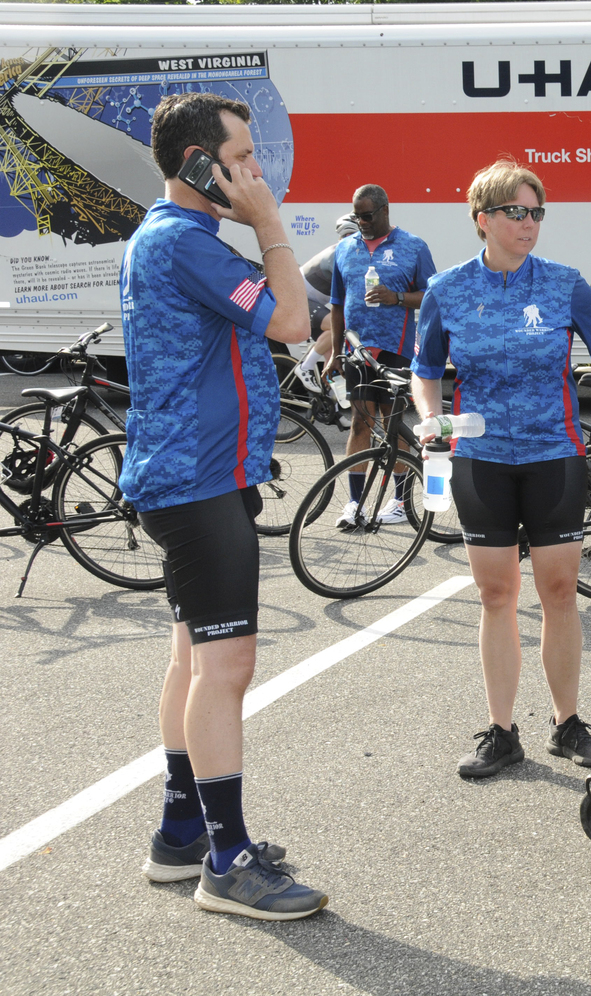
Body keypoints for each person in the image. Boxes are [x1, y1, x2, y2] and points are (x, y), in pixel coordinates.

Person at [121, 92, 326, 918]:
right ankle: (227, 860)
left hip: (195, 477)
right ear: (199, 164)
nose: (255, 172)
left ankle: (181, 833)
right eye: (241, 159)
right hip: (198, 483)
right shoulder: (184, 243)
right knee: (225, 668)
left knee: (192, 659)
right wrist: (270, 222)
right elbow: (290, 320)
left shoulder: (181, 239)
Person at [411, 158, 591, 779]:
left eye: (537, 212)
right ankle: (503, 731)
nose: (530, 223)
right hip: (480, 458)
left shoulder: (564, 283)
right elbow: (425, 371)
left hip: (553, 457)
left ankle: (567, 724)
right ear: (483, 219)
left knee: (559, 592)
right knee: (496, 595)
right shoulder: (446, 290)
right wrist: (430, 420)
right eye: (518, 212)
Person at [325, 184, 437, 525]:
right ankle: (355, 503)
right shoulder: (344, 249)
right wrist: (334, 352)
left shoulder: (413, 247)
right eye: (357, 216)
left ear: (385, 210)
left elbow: (433, 296)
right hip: (357, 350)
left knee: (395, 426)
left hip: (396, 349)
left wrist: (398, 298)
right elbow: (338, 305)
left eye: (368, 215)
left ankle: (400, 503)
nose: (362, 222)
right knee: (360, 422)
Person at [291, 211, 360, 394]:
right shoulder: (336, 254)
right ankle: (305, 367)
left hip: (312, 301)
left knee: (332, 364)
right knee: (336, 326)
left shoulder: (346, 253)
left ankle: (335, 410)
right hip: (297, 298)